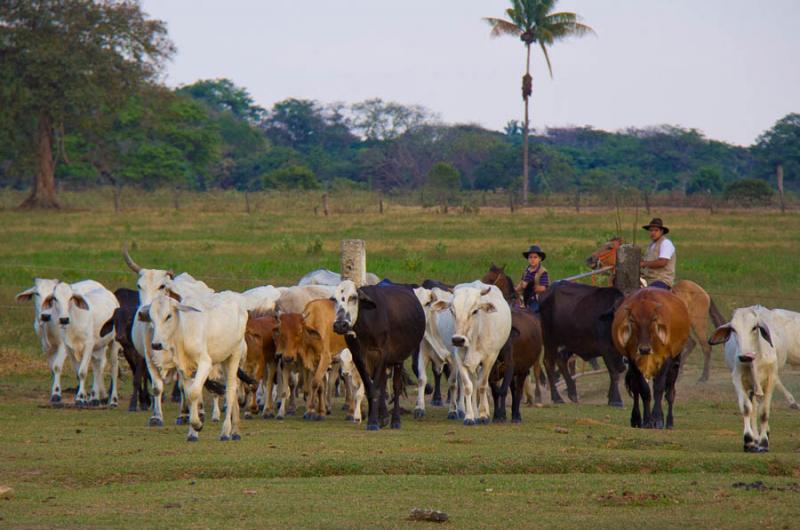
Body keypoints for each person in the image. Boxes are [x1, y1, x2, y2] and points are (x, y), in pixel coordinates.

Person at [640, 218, 676, 290]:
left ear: (661, 231)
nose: (653, 233)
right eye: (651, 230)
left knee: (650, 294)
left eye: (656, 230)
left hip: (662, 280)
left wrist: (643, 264)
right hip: (648, 279)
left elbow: (662, 262)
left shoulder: (666, 243)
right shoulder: (650, 245)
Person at [515, 245, 549, 313]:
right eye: (530, 257)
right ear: (528, 259)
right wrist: (514, 290)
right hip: (525, 297)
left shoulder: (542, 272)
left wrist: (529, 286)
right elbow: (521, 284)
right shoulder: (526, 271)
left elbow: (544, 288)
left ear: (540, 259)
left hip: (536, 298)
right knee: (514, 309)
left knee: (534, 311)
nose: (532, 259)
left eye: (535, 257)